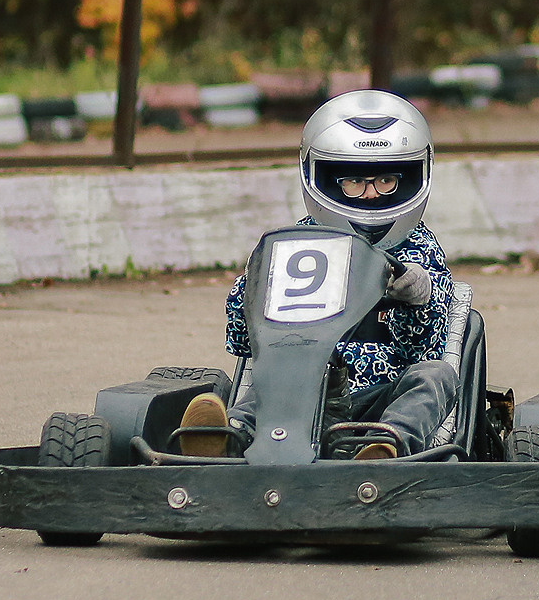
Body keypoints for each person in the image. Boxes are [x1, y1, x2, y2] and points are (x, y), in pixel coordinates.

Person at [178, 90, 459, 460]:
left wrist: (418, 298)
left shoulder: (419, 248)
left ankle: (386, 449)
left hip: (383, 399)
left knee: (435, 376)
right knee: (264, 386)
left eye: (386, 181)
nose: (372, 195)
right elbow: (241, 342)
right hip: (303, 393)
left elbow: (426, 348)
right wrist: (254, 289)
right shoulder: (296, 245)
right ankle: (224, 439)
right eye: (354, 182)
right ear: (325, 179)